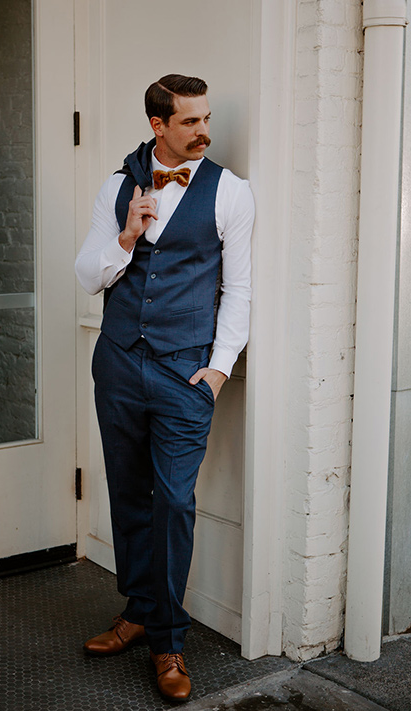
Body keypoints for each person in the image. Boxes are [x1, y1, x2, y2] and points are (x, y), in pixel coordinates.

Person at [75, 74, 254, 702]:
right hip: (119, 364)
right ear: (158, 125)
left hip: (185, 374)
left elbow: (239, 288)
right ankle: (139, 610)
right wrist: (126, 236)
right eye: (190, 122)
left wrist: (219, 369)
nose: (205, 131)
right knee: (127, 491)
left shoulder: (230, 192)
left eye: (207, 119)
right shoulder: (115, 185)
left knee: (173, 502)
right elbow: (87, 275)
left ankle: (169, 641)